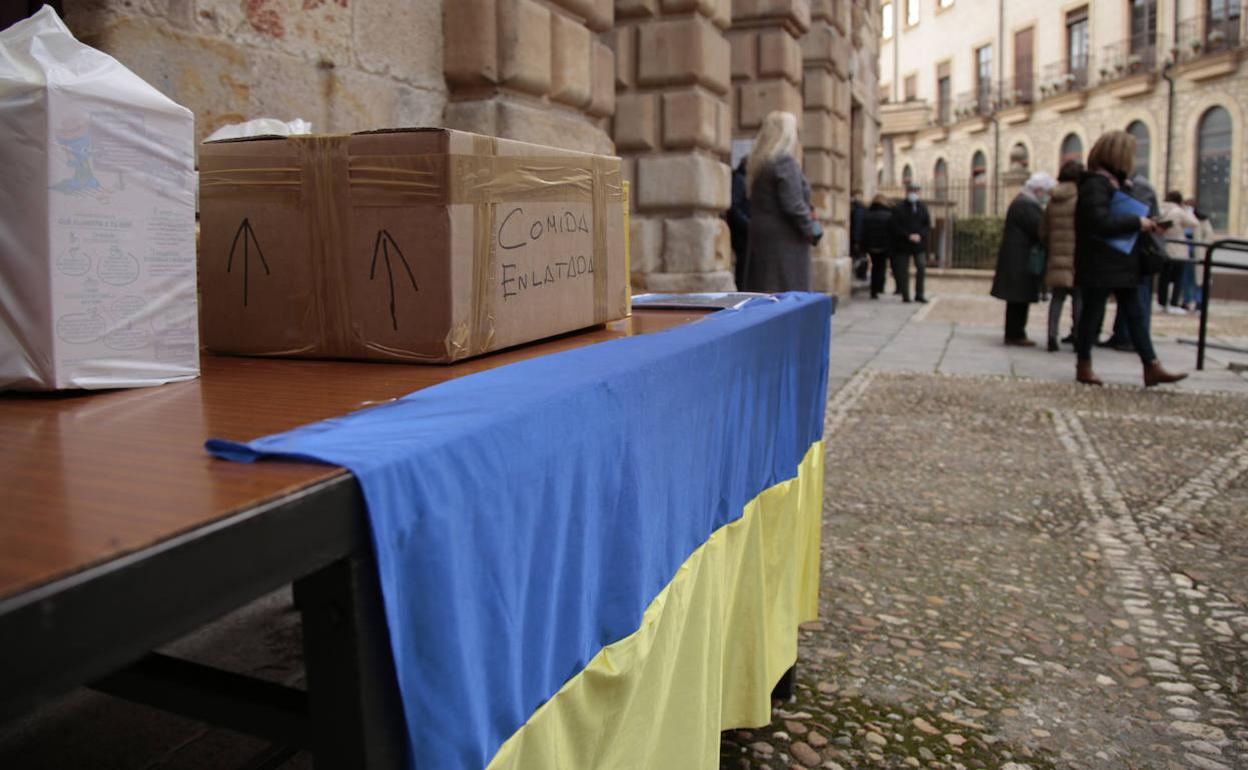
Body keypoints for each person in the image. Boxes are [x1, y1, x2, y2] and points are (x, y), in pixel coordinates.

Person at [1073, 130, 1187, 387]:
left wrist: (1147, 224)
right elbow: (1098, 221)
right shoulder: (1096, 184)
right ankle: (1084, 364)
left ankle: (1151, 365)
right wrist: (1136, 222)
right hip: (1101, 261)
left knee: (1135, 314)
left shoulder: (1115, 183)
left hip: (1120, 260)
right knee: (1092, 313)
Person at [741, 111, 821, 292]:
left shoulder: (760, 163)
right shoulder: (783, 162)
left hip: (763, 236)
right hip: (785, 240)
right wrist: (813, 230)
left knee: (765, 289)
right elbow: (794, 205)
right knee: (786, 292)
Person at [991, 171, 1055, 346]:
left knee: (1019, 300)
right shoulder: (1026, 204)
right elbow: (1039, 229)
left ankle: (1016, 332)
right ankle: (1015, 334)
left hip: (1017, 258)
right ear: (1039, 190)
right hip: (1019, 260)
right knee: (1018, 299)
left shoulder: (1023, 202)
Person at [1044, 161, 1082, 352]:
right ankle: (1077, 335)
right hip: (1077, 255)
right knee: (1078, 298)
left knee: (1057, 298)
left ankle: (1051, 335)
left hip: (1056, 254)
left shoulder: (1053, 199)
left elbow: (1043, 230)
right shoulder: (1080, 198)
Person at [1157, 191, 1200, 314]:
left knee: (1163, 277)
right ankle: (1173, 303)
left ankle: (1161, 302)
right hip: (1177, 248)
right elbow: (1194, 223)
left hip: (1162, 246)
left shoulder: (1160, 209)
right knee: (1177, 278)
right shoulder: (1178, 211)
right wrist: (1189, 211)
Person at [889, 182, 931, 303]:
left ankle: (919, 293)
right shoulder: (899, 208)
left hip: (919, 244)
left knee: (921, 267)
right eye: (912, 191)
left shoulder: (922, 207)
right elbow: (894, 225)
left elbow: (927, 225)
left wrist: (920, 235)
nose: (914, 194)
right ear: (907, 192)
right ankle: (905, 294)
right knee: (903, 270)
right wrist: (908, 235)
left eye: (916, 191)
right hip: (903, 244)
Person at [726, 157, 750, 290]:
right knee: (743, 269)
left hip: (744, 232)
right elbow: (734, 208)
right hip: (741, 234)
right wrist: (748, 225)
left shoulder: (743, 179)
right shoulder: (740, 180)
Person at [863, 195, 894, 299]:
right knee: (881, 267)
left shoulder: (867, 215)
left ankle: (874, 289)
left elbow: (864, 232)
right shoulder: (889, 215)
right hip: (884, 246)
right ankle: (879, 287)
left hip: (871, 246)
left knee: (875, 266)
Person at [850, 189, 867, 280]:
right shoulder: (860, 209)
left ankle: (860, 275)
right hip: (860, 238)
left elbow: (857, 224)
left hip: (857, 238)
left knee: (859, 258)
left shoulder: (858, 209)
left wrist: (856, 239)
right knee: (860, 258)